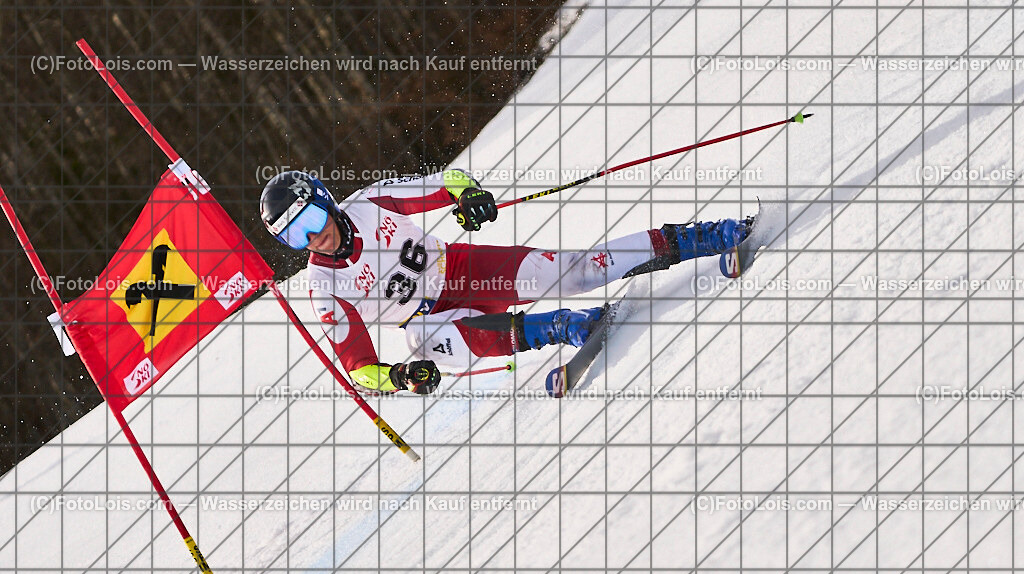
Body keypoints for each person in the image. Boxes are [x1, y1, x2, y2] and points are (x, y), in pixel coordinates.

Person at [259, 169, 752, 395]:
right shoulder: (324, 288)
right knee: (427, 340)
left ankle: (703, 238)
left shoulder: (372, 202)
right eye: (295, 237)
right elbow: (359, 369)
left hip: (466, 269)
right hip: (433, 322)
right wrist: (401, 377)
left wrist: (468, 196)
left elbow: (447, 182)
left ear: (325, 200)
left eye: (311, 220)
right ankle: (564, 327)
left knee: (578, 271)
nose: (314, 238)